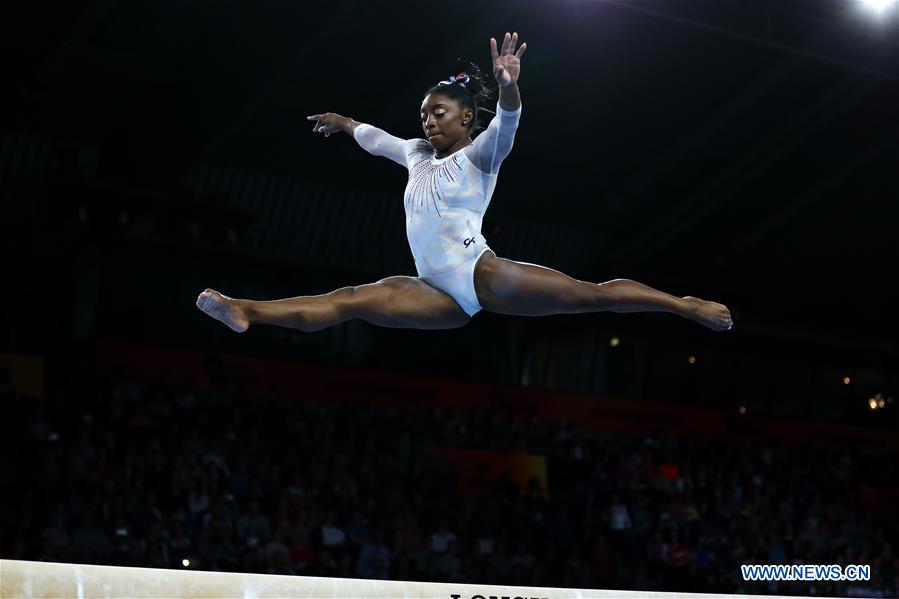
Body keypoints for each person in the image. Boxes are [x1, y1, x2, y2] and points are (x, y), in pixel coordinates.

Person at [197, 32, 732, 334]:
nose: (427, 121)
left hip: (481, 274)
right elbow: (375, 137)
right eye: (424, 113)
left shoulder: (482, 154)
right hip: (435, 293)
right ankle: (245, 310)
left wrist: (507, 88)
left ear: (464, 120)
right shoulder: (416, 153)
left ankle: (685, 305)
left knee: (589, 297)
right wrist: (343, 122)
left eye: (439, 113)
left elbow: (509, 122)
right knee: (351, 299)